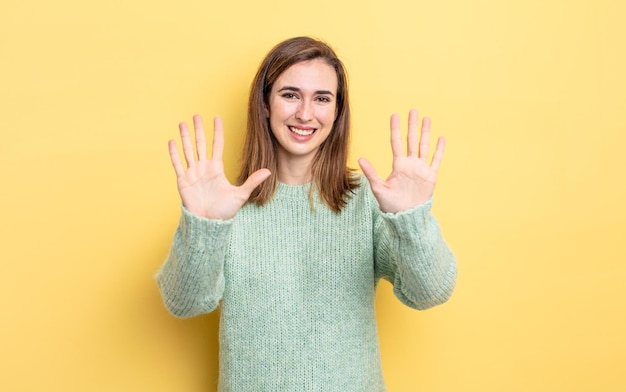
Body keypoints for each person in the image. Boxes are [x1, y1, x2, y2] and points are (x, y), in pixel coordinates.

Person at [156, 36, 457, 391]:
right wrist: (205, 226)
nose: (305, 113)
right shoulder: (227, 202)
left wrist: (412, 222)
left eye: (322, 98)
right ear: (265, 104)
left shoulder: (368, 202)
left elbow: (430, 292)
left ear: (336, 111)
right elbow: (183, 303)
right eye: (290, 94)